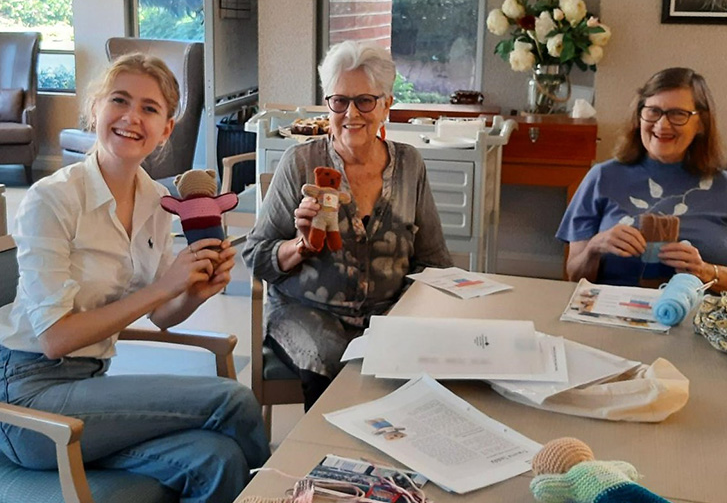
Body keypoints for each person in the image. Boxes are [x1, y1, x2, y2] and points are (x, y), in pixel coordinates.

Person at [0, 53, 270, 502]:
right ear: (95, 110)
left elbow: (164, 314)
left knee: (217, 460)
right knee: (233, 400)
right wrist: (166, 286)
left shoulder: (156, 199)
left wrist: (194, 292)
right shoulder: (53, 199)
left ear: (166, 128)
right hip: (28, 401)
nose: (131, 117)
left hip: (90, 387)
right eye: (119, 101)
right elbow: (55, 340)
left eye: (149, 108)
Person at [243, 41, 451, 410]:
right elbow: (256, 255)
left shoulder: (409, 166)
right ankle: (325, 461)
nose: (351, 113)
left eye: (365, 101)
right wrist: (300, 246)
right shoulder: (300, 163)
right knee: (334, 360)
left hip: (388, 312)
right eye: (339, 101)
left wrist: (412, 317)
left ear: (387, 104)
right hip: (306, 312)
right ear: (328, 105)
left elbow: (434, 260)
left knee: (418, 370)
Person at [557, 67, 727, 294]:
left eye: (678, 114)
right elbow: (574, 277)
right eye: (653, 111)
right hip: (614, 318)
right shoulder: (601, 178)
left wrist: (705, 271)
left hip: (702, 324)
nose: (662, 125)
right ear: (639, 117)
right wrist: (594, 248)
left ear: (701, 124)